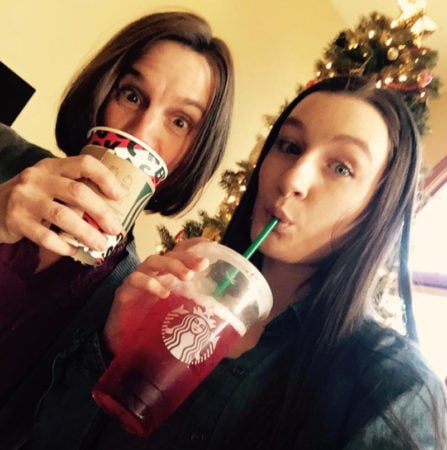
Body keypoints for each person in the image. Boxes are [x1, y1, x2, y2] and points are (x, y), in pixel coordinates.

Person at [6, 75, 446, 449]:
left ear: (378, 209)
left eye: (342, 168)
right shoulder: (179, 291)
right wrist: (108, 351)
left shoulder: (391, 388)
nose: (293, 178)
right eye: (289, 146)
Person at [0, 9, 234, 419]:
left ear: (191, 158)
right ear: (102, 94)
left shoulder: (126, 298)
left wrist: (109, 351)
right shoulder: (4, 152)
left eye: (180, 121)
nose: (142, 131)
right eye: (131, 95)